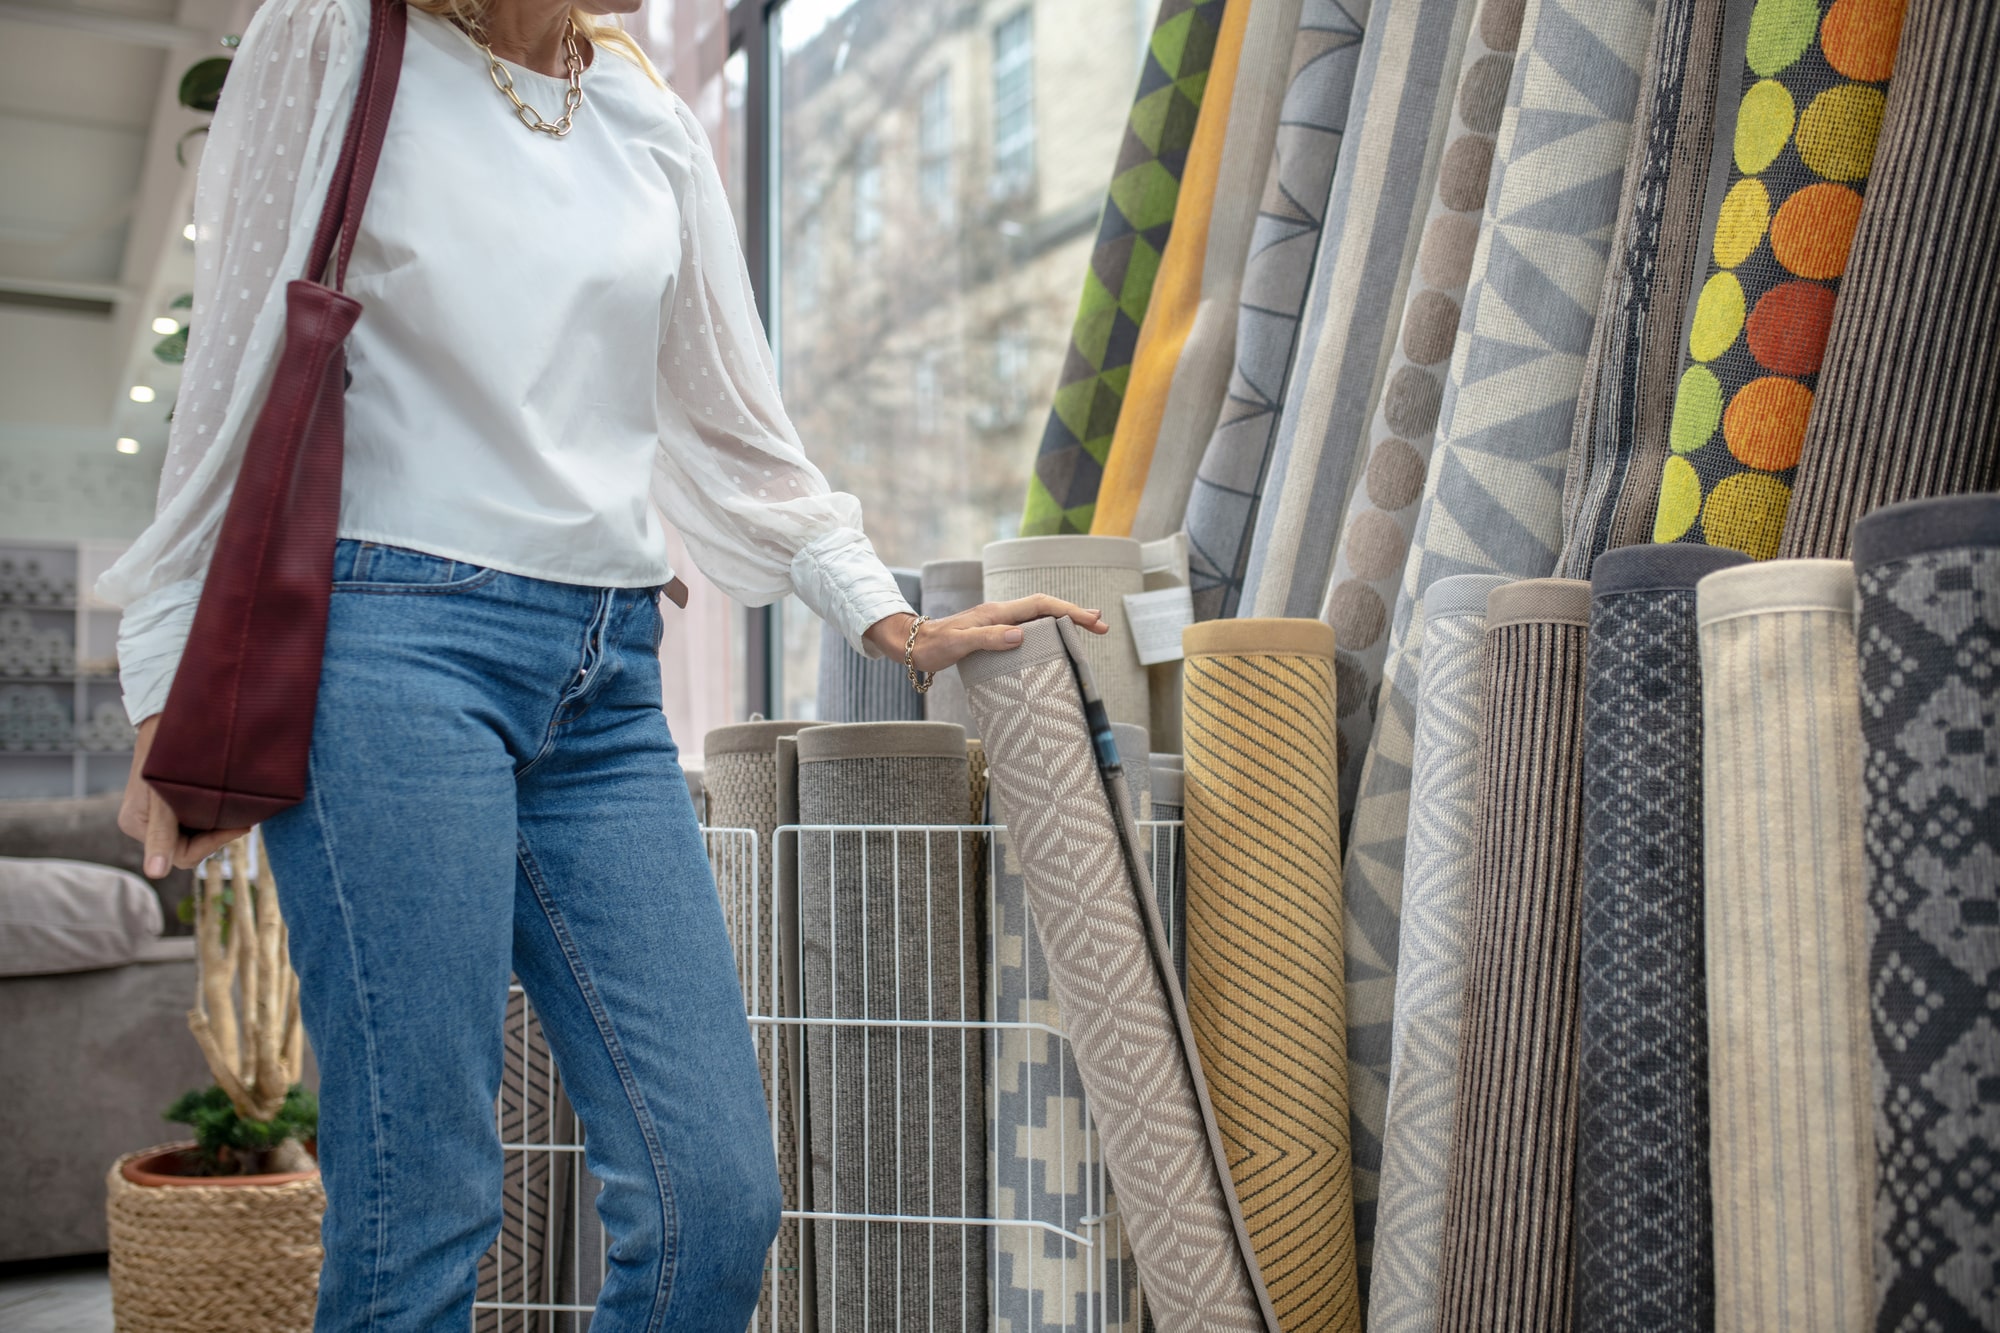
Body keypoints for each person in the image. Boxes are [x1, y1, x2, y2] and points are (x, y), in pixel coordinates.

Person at [100, 0, 1106, 1325]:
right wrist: (165, 678)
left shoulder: (640, 109)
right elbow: (230, 370)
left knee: (719, 1195)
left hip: (607, 674)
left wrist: (891, 618)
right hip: (391, 647)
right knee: (422, 1203)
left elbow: (737, 426)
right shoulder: (342, 35)